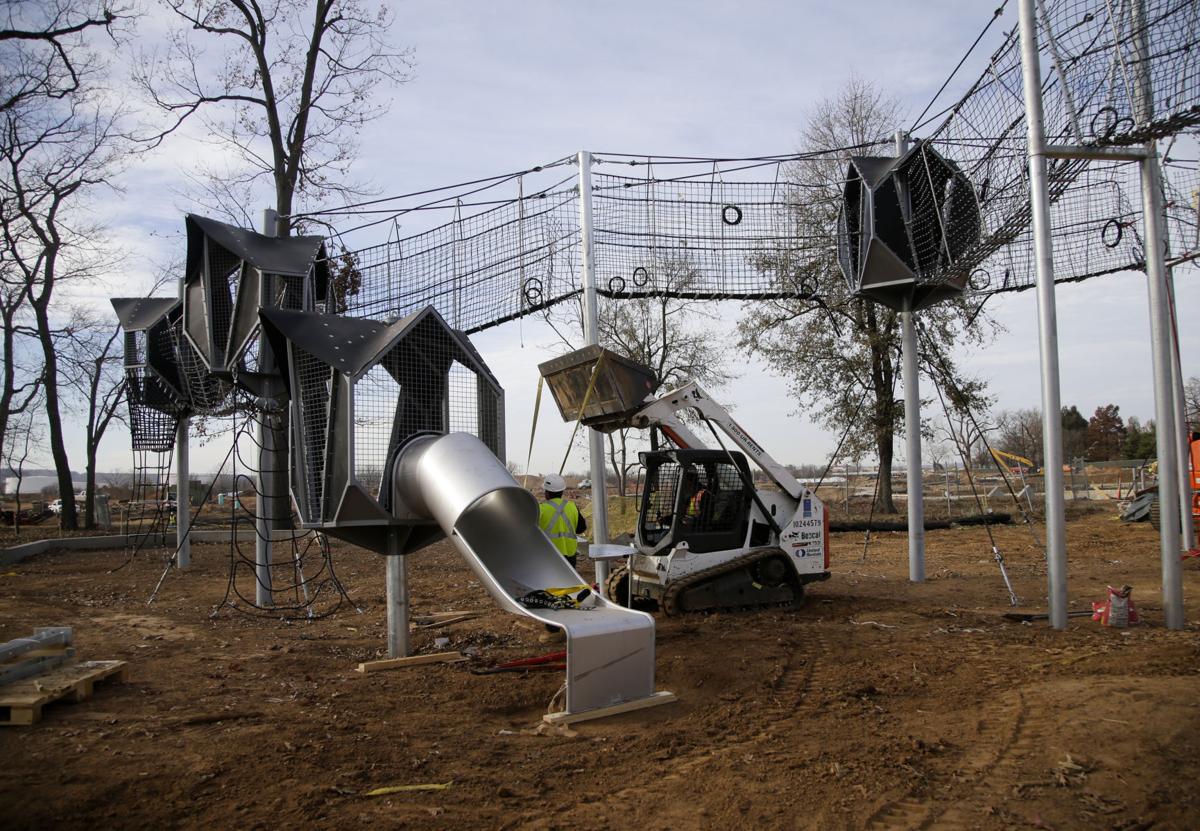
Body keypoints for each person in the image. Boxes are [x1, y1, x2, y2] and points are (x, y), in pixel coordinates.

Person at [538, 473, 587, 570]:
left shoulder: (541, 509)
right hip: (570, 557)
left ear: (547, 493)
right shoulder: (572, 507)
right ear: (562, 491)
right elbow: (581, 528)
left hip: (549, 557)